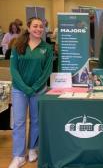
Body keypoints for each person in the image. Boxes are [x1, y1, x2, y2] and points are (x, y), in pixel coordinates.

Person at [9, 17, 53, 168]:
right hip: (19, 90)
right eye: (35, 26)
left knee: (35, 120)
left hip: (38, 90)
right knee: (19, 122)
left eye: (41, 26)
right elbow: (13, 69)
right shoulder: (17, 45)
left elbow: (47, 71)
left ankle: (33, 148)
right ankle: (19, 156)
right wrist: (25, 88)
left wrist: (34, 88)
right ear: (28, 28)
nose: (38, 29)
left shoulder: (47, 48)